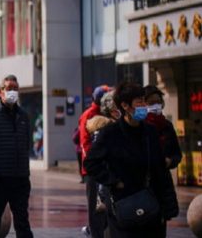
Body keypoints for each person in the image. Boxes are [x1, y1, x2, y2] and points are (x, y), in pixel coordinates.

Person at [84, 82, 179, 237]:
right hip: (123, 207)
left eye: (143, 100)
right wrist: (113, 181)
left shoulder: (150, 132)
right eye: (139, 102)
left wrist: (167, 207)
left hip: (151, 206)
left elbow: (160, 171)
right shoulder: (110, 133)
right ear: (125, 106)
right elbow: (90, 163)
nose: (144, 106)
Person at [0, 75, 34, 238]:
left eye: (15, 89)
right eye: (9, 88)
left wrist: (25, 172)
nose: (12, 92)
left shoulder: (23, 115)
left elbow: (27, 144)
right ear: (0, 91)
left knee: (22, 221)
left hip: (20, 178)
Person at [78, 85, 111, 238]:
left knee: (107, 204)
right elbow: (85, 143)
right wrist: (94, 163)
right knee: (95, 206)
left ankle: (97, 230)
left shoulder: (107, 113)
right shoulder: (89, 114)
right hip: (94, 169)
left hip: (107, 167)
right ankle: (95, 232)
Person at [144, 85, 182, 170]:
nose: (156, 105)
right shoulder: (139, 125)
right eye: (151, 103)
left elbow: (177, 154)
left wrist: (170, 161)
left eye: (158, 102)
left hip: (163, 178)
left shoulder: (167, 125)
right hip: (143, 179)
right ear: (144, 104)